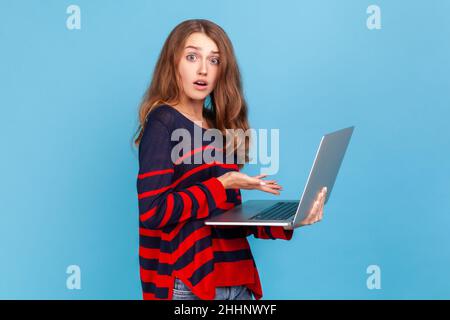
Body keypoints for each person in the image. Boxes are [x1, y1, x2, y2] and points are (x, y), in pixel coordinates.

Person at [133, 19, 327, 300]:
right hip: (188, 283)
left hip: (236, 279)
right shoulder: (163, 123)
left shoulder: (219, 127)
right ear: (172, 63)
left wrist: (290, 221)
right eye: (192, 57)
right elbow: (154, 212)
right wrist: (221, 184)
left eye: (214, 60)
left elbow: (222, 218)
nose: (203, 69)